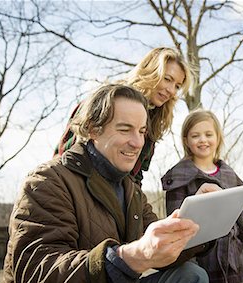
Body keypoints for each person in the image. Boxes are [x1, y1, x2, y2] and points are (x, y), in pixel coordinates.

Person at [0, 84, 219, 283]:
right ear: (94, 129)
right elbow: (39, 278)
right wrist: (128, 258)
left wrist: (199, 220)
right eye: (125, 129)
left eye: (142, 131)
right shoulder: (47, 181)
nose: (137, 143)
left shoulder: (131, 190)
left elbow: (157, 246)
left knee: (191, 276)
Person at [54, 47, 192, 185]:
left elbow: (136, 175)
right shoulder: (105, 102)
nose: (171, 90)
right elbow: (67, 155)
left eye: (177, 86)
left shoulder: (154, 121)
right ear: (150, 71)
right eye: (167, 79)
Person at [161, 109, 243, 283]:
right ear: (186, 140)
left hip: (233, 263)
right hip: (198, 264)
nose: (203, 140)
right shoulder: (178, 179)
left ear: (218, 138)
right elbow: (175, 226)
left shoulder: (231, 178)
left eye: (208, 134)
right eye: (195, 135)